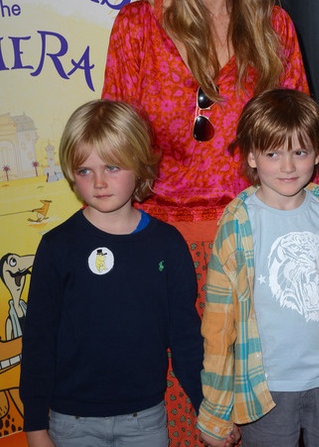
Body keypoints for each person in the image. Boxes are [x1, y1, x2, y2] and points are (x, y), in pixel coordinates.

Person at [102, 0, 319, 445]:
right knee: (185, 419)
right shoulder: (135, 27)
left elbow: (299, 142)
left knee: (264, 420)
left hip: (259, 246)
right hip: (162, 252)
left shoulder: (275, 25)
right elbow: (114, 151)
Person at [198, 88, 319, 447]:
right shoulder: (237, 224)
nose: (287, 167)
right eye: (273, 153)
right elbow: (218, 325)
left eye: (299, 152)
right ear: (251, 155)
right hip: (264, 389)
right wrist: (216, 410)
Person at [20, 99, 203, 447]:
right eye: (85, 171)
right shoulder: (57, 247)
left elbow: (185, 338)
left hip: (145, 420)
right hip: (71, 423)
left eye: (112, 167)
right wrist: (35, 427)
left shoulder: (167, 245)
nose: (99, 182)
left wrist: (207, 408)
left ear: (139, 164)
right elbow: (39, 340)